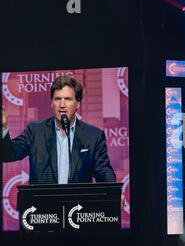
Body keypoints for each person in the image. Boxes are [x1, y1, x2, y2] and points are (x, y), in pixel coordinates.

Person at [1, 75, 124, 207]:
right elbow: (8, 154)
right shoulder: (35, 131)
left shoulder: (93, 136)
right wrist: (3, 129)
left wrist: (114, 192)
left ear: (78, 104)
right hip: (43, 213)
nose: (62, 105)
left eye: (68, 99)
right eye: (57, 99)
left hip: (79, 213)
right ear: (51, 103)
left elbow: (103, 171)